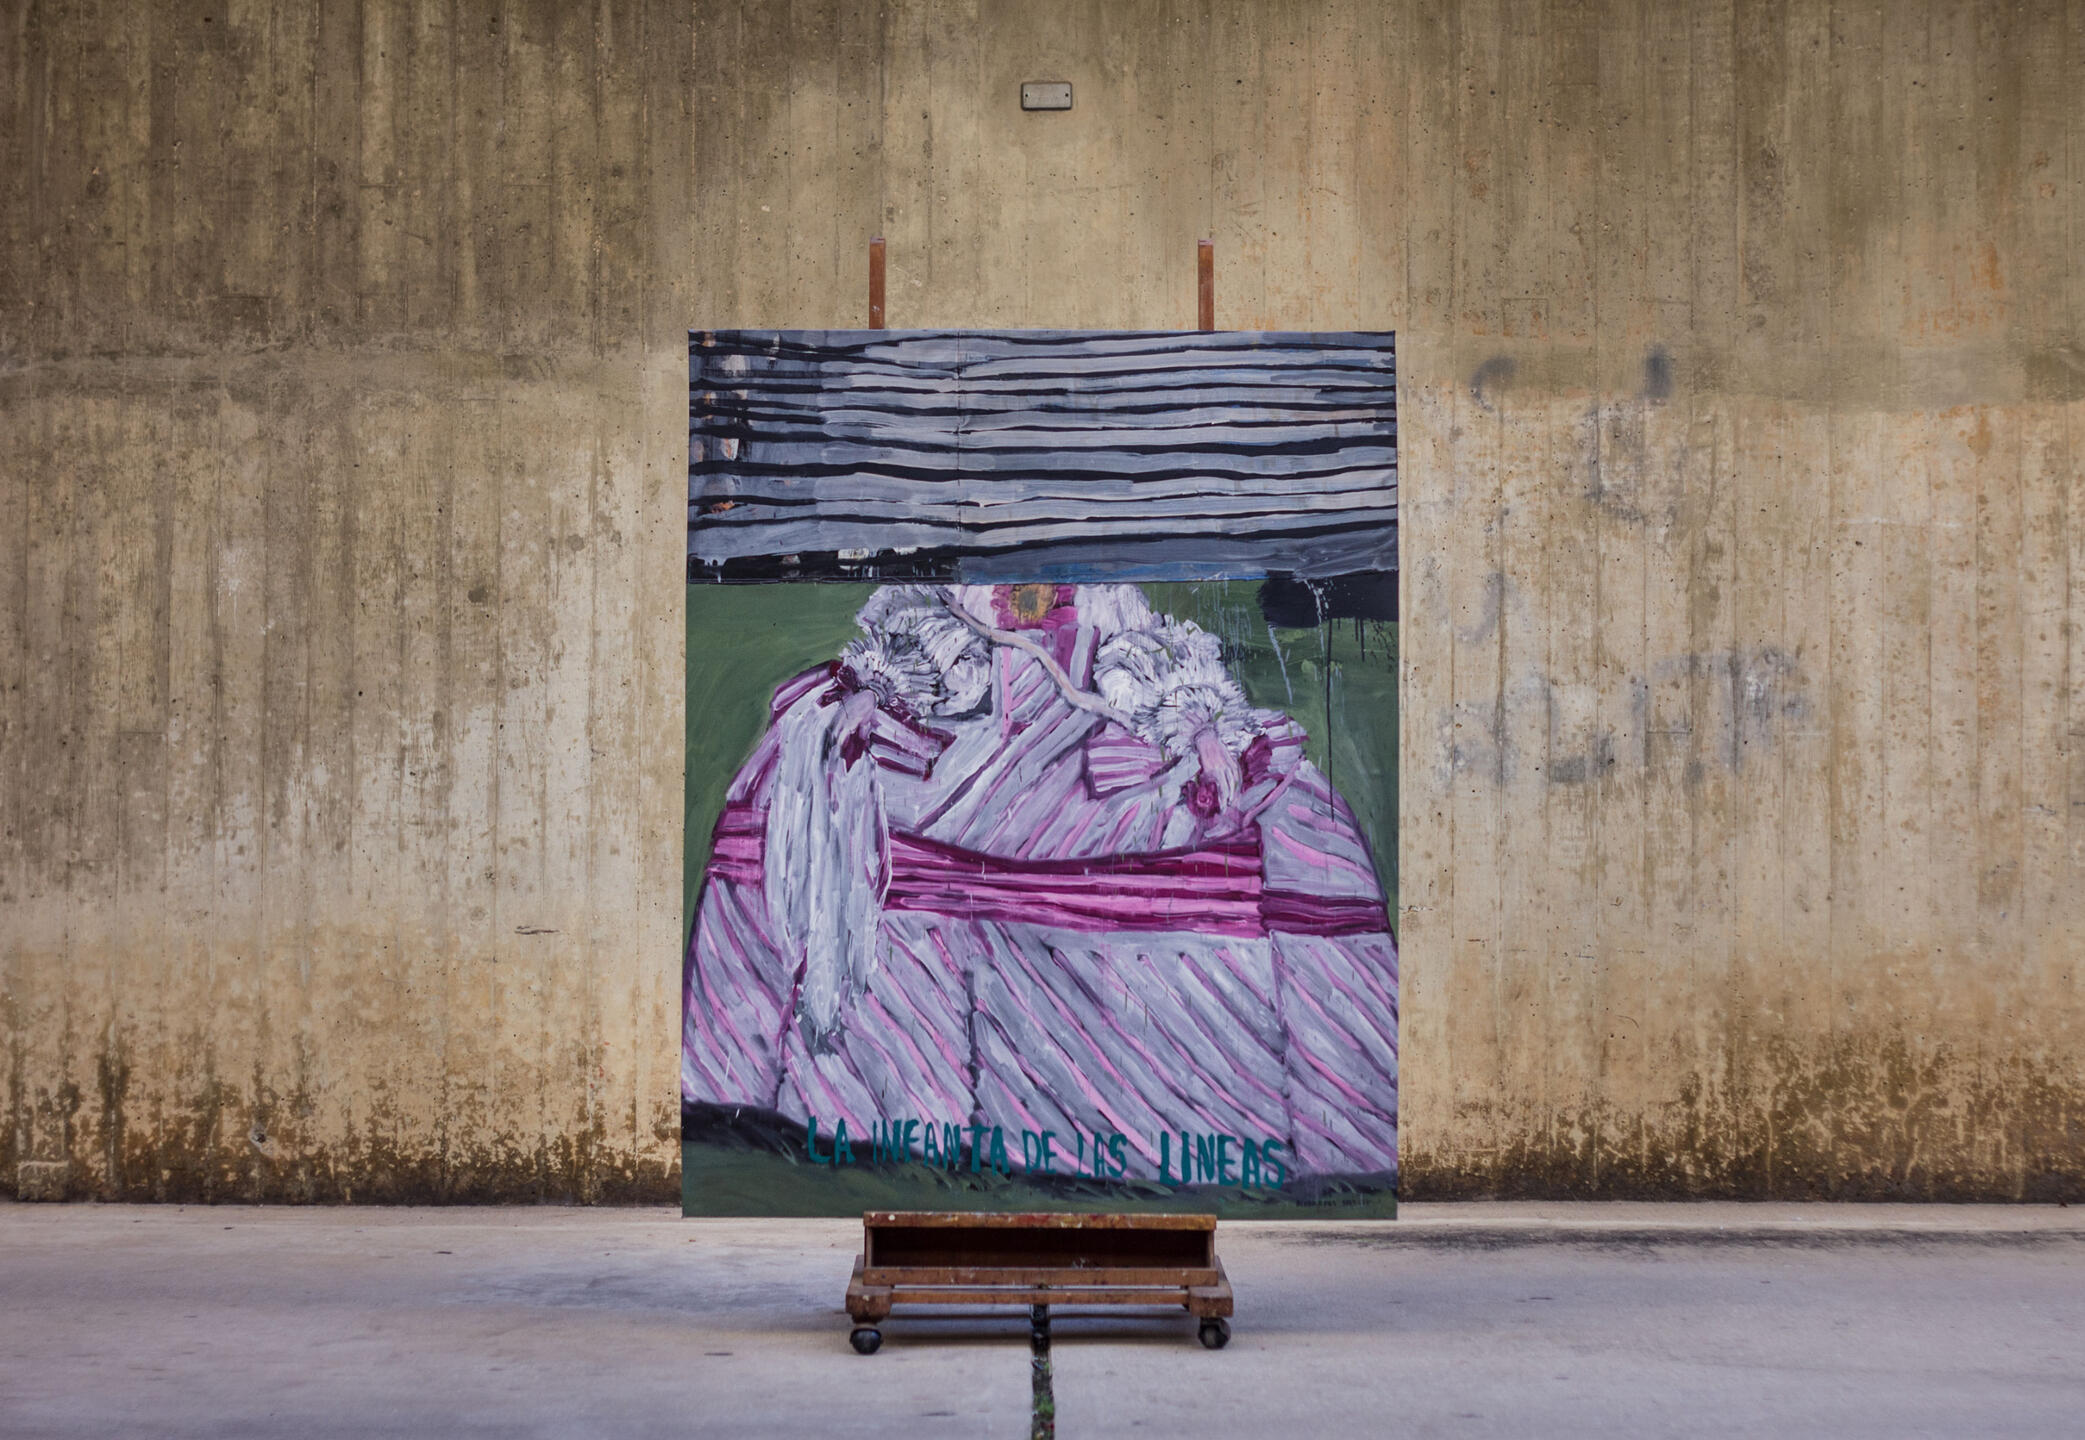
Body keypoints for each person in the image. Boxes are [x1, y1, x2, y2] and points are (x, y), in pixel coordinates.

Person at [682, 582, 1398, 1181]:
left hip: (1084, 740)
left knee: (1294, 813)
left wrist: (1198, 727)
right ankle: (772, 1079)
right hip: (970, 741)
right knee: (804, 772)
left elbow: (1145, 653)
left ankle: (1314, 1107)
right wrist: (877, 693)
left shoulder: (1106, 591)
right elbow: (922, 641)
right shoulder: (958, 582)